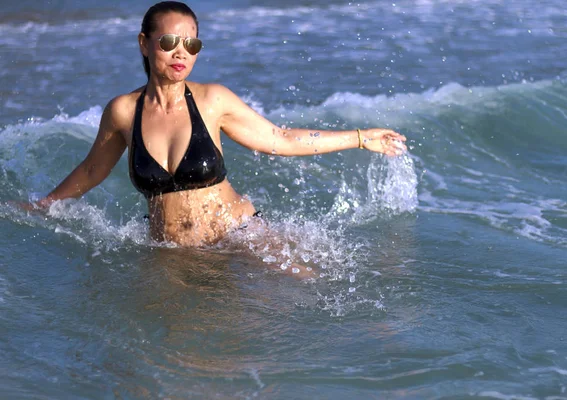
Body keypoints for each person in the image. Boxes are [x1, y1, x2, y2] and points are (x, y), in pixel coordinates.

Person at [30, 1, 407, 248]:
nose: (181, 52)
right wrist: (43, 206)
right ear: (144, 43)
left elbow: (279, 138)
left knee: (308, 298)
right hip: (173, 254)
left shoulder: (212, 100)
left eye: (191, 44)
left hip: (239, 236)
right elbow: (93, 169)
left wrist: (361, 137)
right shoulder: (124, 112)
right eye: (169, 41)